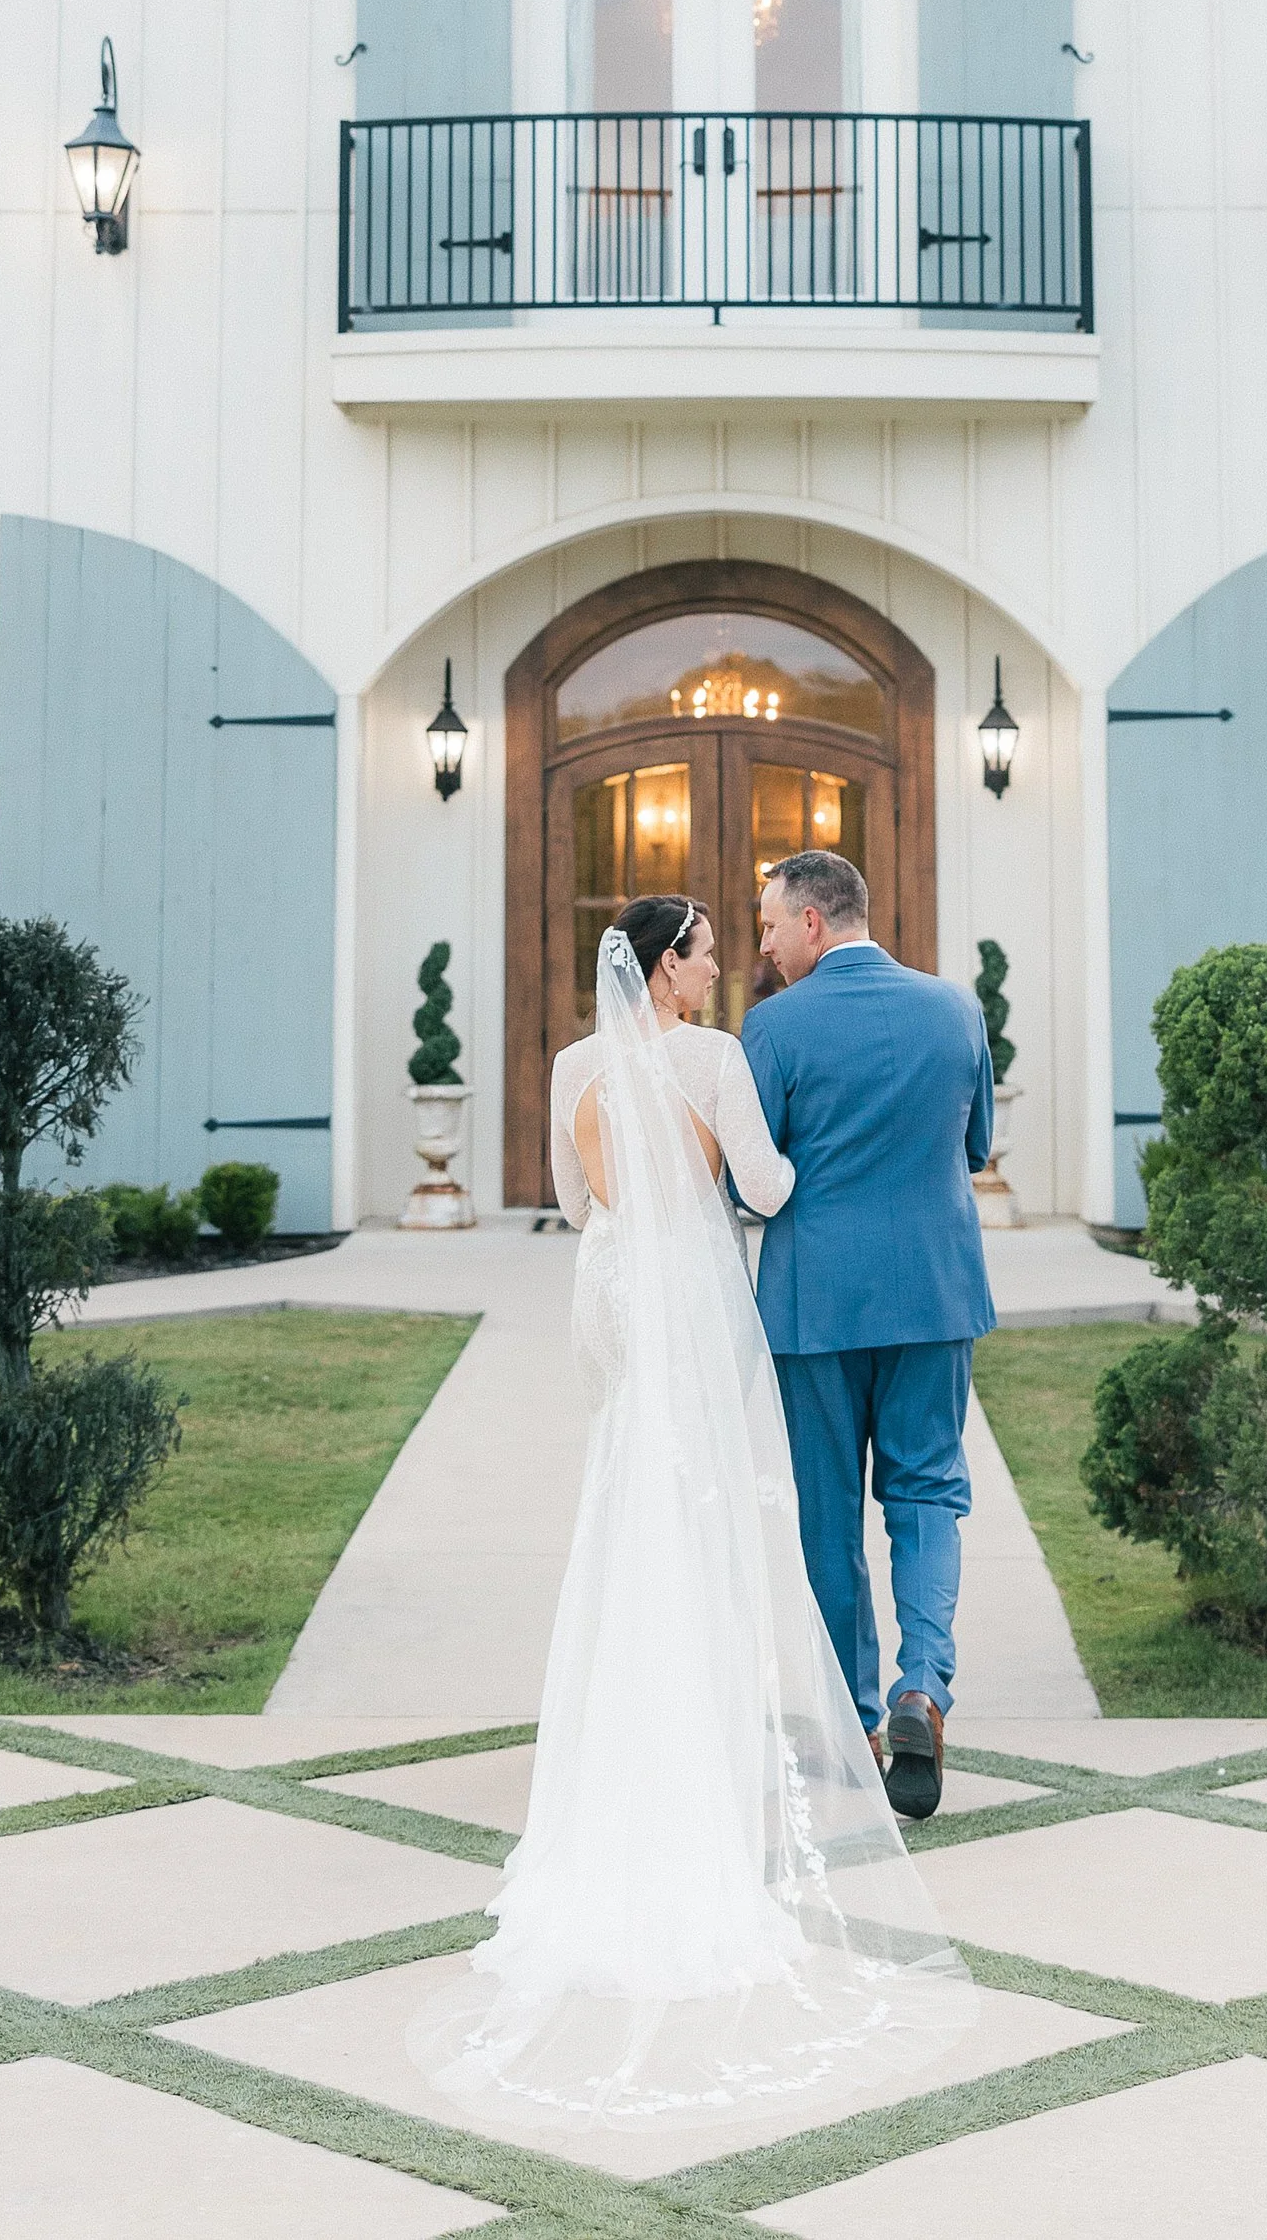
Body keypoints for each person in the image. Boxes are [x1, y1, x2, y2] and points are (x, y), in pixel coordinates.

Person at [408, 893, 972, 2136]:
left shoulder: (571, 1065)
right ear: (668, 967)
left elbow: (572, 1194)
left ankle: (633, 1719)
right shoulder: (724, 1057)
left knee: (629, 1496)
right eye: (709, 951)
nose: (726, 965)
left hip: (616, 1284)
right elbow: (766, 1186)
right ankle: (817, 1710)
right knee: (727, 1505)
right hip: (713, 1290)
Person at [742, 850, 997, 1823]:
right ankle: (921, 1689)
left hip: (814, 1306)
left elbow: (750, 1178)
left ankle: (851, 1718)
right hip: (935, 1293)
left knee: (827, 1513)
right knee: (928, 1493)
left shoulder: (774, 1026)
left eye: (769, 925)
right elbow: (973, 1149)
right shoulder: (956, 1011)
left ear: (814, 922)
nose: (762, 944)